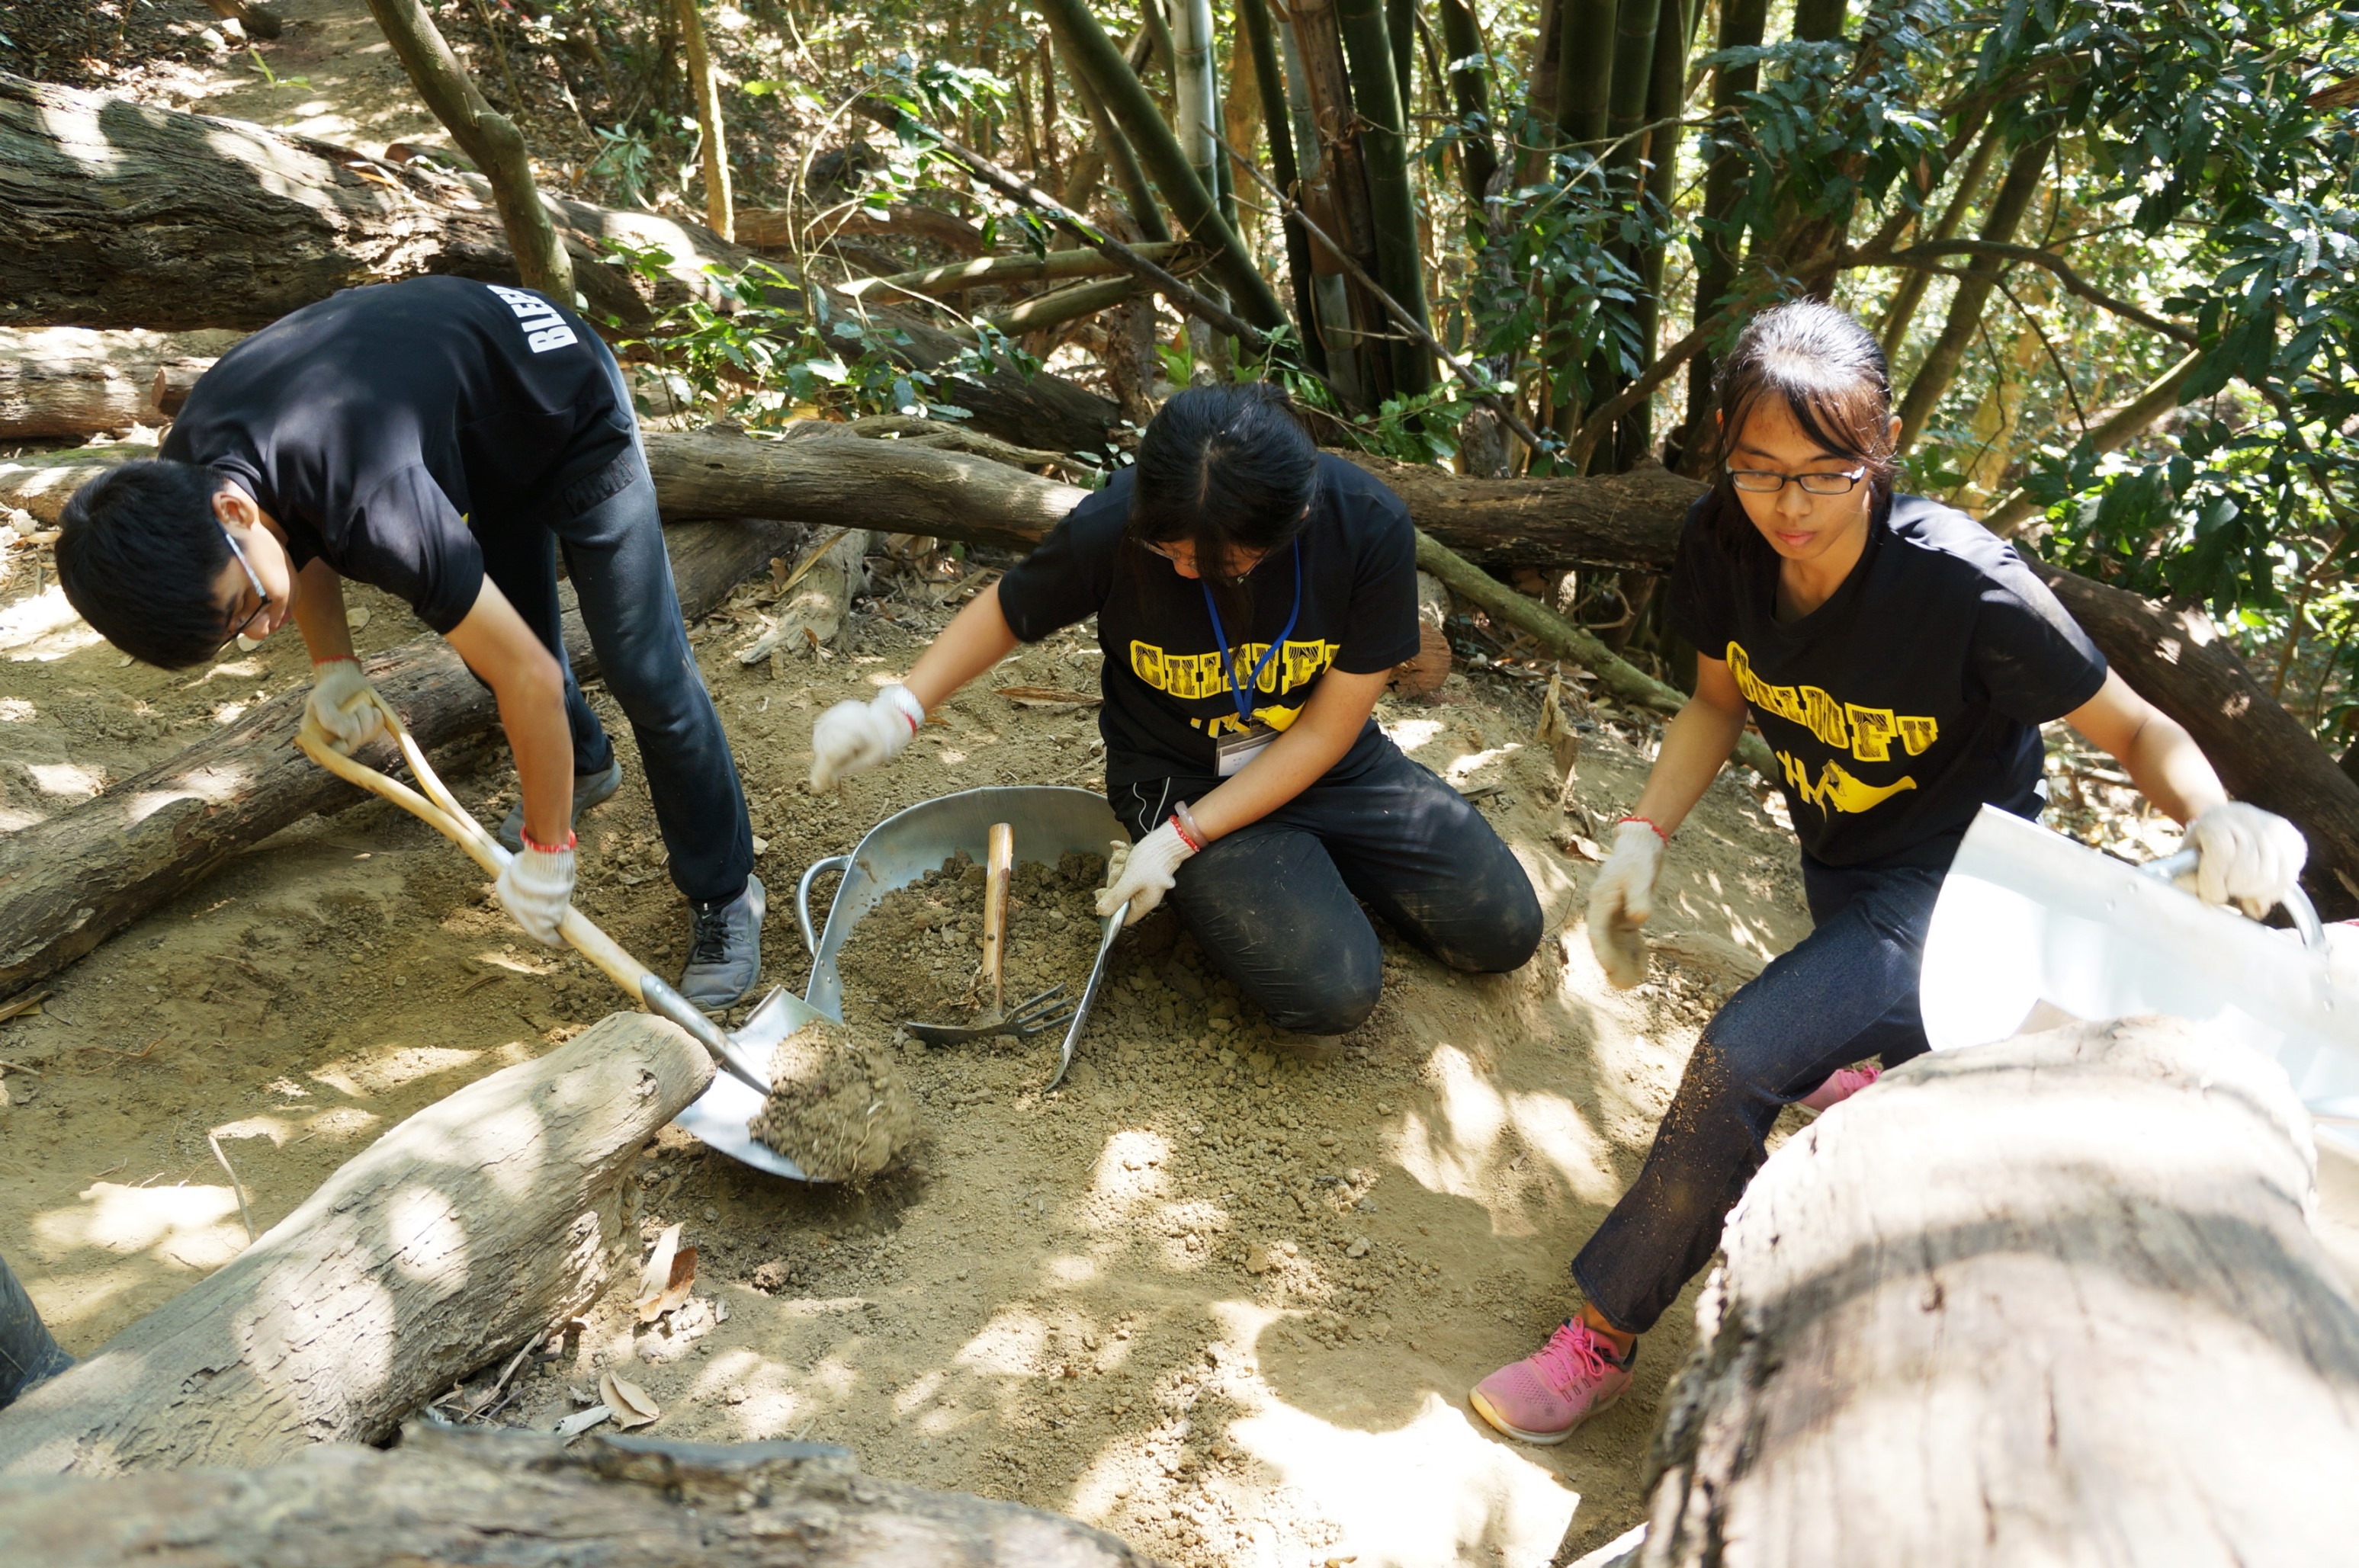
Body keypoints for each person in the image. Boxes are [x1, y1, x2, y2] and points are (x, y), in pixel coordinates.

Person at [1468, 300, 2309, 1445]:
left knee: (1741, 1056)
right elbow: (1716, 699)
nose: (1789, 506)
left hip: (1968, 887)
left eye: (1825, 472)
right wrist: (1642, 833)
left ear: (1884, 445)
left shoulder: (1963, 583)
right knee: (1907, 1062)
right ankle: (1878, 1078)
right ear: (1723, 450)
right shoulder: (1724, 540)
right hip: (1842, 857)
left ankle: (1601, 1339)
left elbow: (2134, 728)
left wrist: (2214, 815)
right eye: (1759, 470)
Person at [54, 277, 765, 1008]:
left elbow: (529, 677)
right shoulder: (188, 478)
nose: (260, 631)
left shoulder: (373, 497)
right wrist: (334, 665)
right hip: (467, 431)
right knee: (493, 653)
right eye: (235, 632)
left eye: (245, 609)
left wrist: (549, 850)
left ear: (231, 512)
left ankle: (726, 892)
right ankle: (584, 765)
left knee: (643, 670)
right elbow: (292, 525)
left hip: (560, 398)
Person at [806, 382, 1543, 1047]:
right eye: (1172, 553)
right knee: (1335, 990)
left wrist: (1181, 843)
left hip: (1327, 761)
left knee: (1505, 928)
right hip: (1180, 776)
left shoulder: (1367, 527)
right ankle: (1267, 877)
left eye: (1221, 563)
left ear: (1295, 519)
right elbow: (1009, 609)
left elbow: (1328, 730)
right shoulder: (1118, 524)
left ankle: (1311, 862)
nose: (1189, 571)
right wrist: (900, 709)